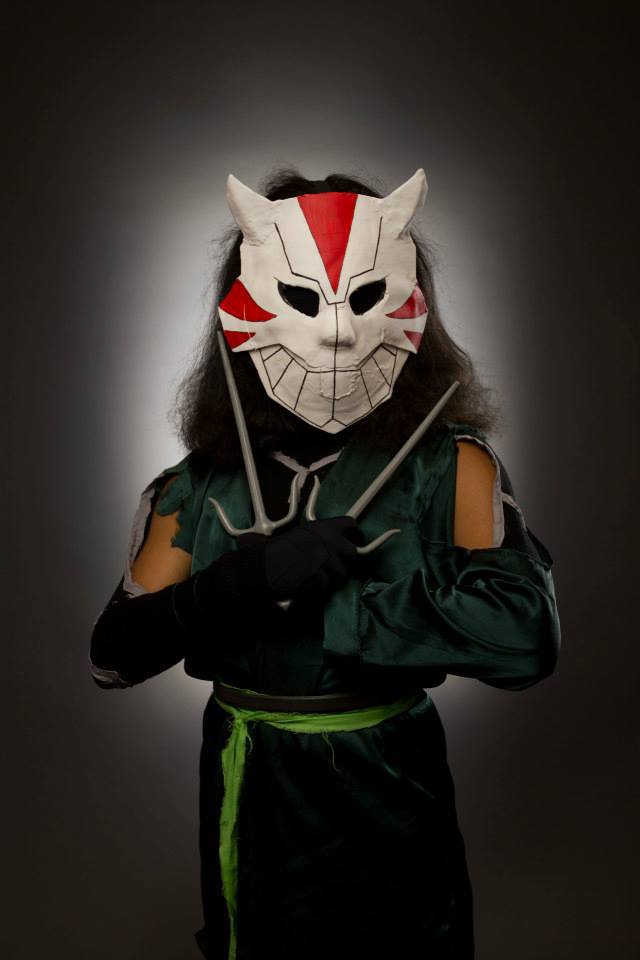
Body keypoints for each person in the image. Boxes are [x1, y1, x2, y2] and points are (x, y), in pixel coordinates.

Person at [89, 166, 561, 960]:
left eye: (365, 296)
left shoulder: (451, 467)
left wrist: (344, 606)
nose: (339, 332)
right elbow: (111, 655)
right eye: (303, 298)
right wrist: (243, 582)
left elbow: (525, 637)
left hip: (389, 783)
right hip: (251, 784)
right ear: (243, 308)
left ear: (410, 303)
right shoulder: (197, 485)